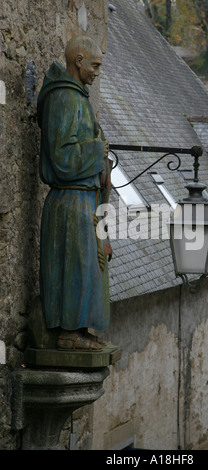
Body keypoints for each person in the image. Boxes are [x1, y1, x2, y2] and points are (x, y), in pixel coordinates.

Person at [37, 35, 112, 350]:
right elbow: (62, 158)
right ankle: (69, 334)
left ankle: (78, 330)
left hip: (84, 199)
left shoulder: (77, 97)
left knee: (86, 270)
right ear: (78, 60)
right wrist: (99, 149)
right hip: (71, 200)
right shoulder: (64, 99)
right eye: (94, 64)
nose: (96, 72)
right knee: (76, 268)